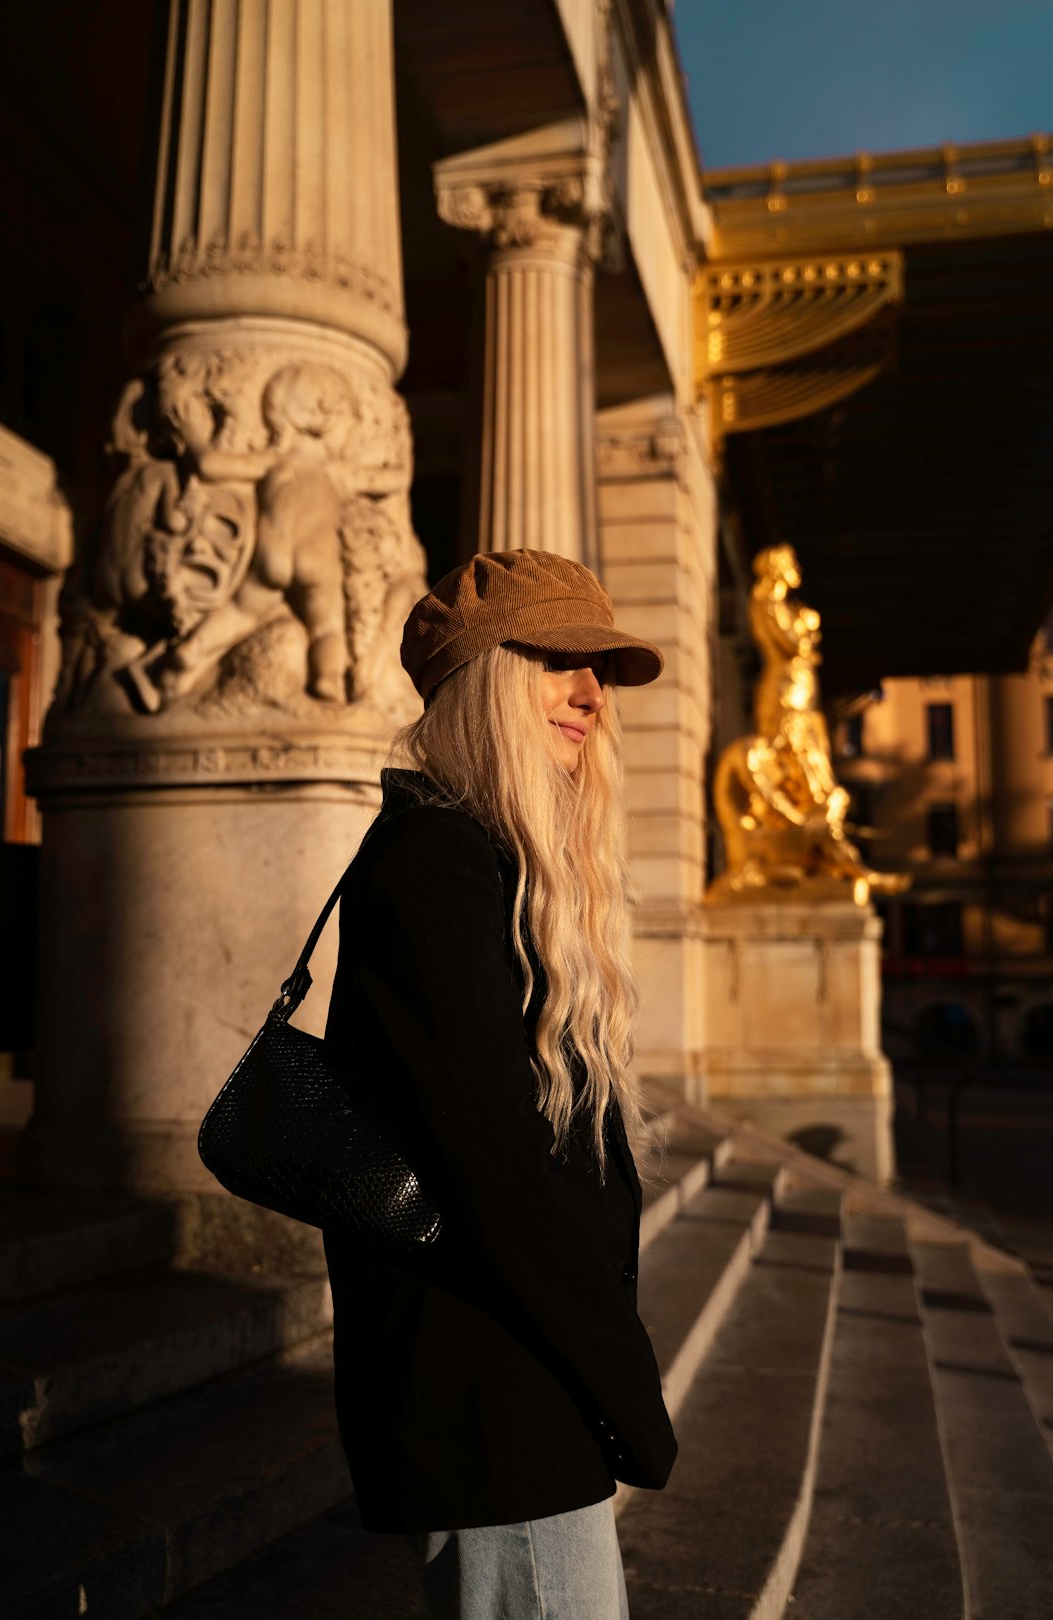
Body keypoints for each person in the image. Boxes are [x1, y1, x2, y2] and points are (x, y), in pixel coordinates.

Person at [322, 548, 677, 1619]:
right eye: (557, 658)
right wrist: (625, 1383)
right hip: (491, 1370)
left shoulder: (492, 862)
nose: (589, 692)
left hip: (519, 1363)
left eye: (599, 666)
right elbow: (498, 1164)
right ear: (482, 679)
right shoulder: (435, 861)